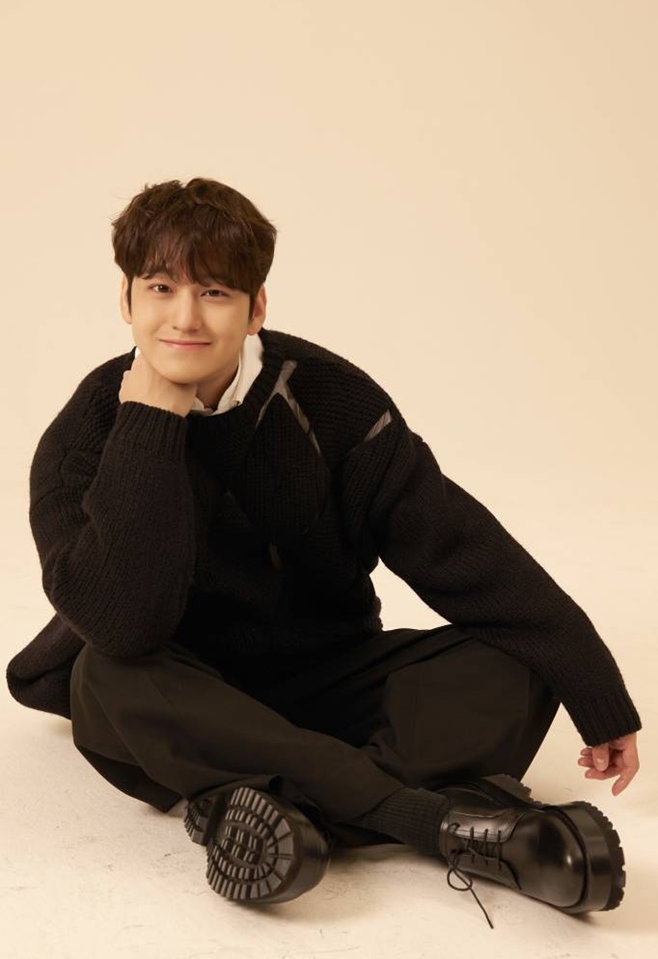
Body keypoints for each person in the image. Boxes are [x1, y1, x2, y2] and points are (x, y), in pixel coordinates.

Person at [6, 177, 641, 928]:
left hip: (325, 672)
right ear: (127, 298)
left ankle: (254, 805)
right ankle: (429, 819)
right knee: (105, 673)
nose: (184, 317)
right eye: (161, 288)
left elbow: (462, 550)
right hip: (179, 689)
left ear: (256, 307)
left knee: (520, 662)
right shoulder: (85, 432)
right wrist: (150, 420)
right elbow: (124, 622)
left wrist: (593, 687)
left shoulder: (334, 401)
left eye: (214, 292)